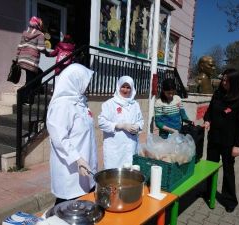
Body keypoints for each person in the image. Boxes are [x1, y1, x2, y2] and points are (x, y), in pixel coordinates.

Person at [46, 63, 97, 205]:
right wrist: (78, 159)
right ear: (75, 81)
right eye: (85, 81)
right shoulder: (62, 105)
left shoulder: (80, 102)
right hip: (70, 169)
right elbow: (59, 138)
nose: (87, 86)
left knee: (84, 205)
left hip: (85, 165)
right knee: (67, 205)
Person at [203, 68, 239, 213]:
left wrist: (237, 145)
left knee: (228, 170)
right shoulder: (218, 93)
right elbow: (210, 110)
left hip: (229, 142)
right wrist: (208, 120)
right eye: (223, 79)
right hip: (214, 138)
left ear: (233, 82)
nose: (223, 82)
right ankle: (208, 192)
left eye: (226, 81)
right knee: (210, 167)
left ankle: (229, 200)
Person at [98, 76, 144, 169]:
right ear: (118, 87)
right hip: (115, 147)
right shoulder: (109, 104)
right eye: (123, 87)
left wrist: (137, 127)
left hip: (131, 145)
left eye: (128, 87)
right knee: (113, 173)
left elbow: (140, 120)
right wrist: (120, 125)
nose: (125, 90)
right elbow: (101, 122)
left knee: (129, 172)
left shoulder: (135, 104)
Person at [16, 16, 48, 104]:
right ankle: (26, 99)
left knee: (35, 75)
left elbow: (20, 46)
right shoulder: (40, 34)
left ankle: (32, 93)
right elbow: (41, 48)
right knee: (31, 80)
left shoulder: (25, 33)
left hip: (23, 59)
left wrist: (17, 58)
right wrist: (47, 53)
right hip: (31, 61)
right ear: (38, 25)